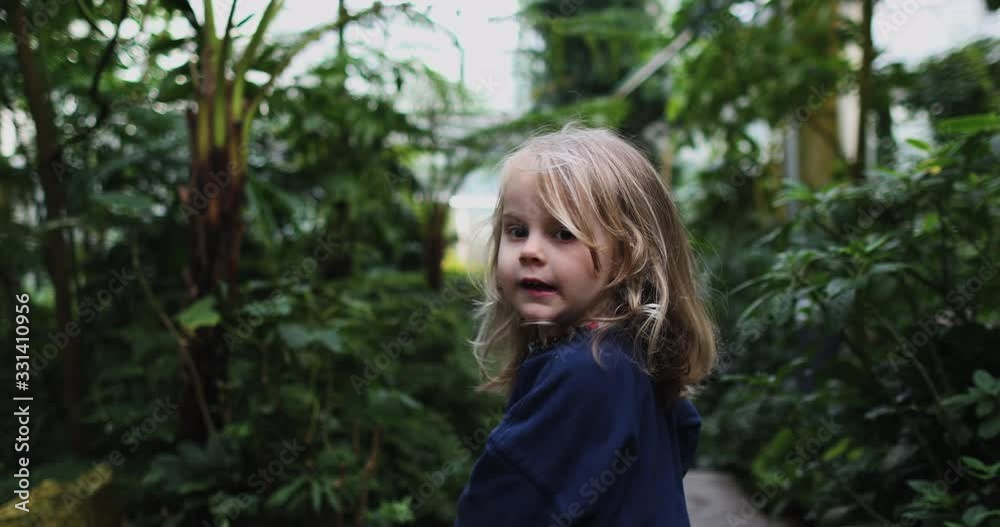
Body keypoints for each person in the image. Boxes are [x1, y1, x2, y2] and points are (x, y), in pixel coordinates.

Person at [453, 123, 718, 526]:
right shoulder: (630, 354)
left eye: (563, 233)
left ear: (627, 254)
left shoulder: (586, 371)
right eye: (517, 231)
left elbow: (498, 508)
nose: (530, 251)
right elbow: (684, 429)